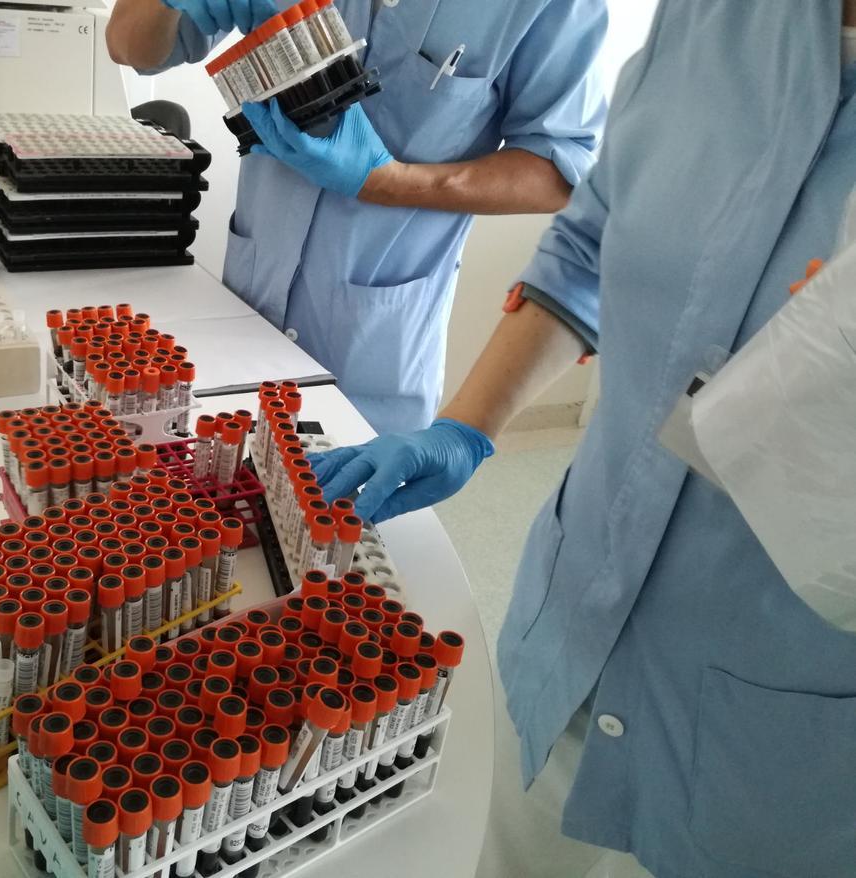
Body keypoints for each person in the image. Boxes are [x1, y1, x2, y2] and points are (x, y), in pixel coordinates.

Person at [311, 1, 856, 875]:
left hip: (780, 731)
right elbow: (591, 243)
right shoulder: (711, 21)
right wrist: (464, 427)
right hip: (569, 637)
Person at [106, 0, 607, 434]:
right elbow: (128, 46)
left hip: (373, 360)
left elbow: (559, 172)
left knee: (350, 508)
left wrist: (390, 182)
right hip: (243, 324)